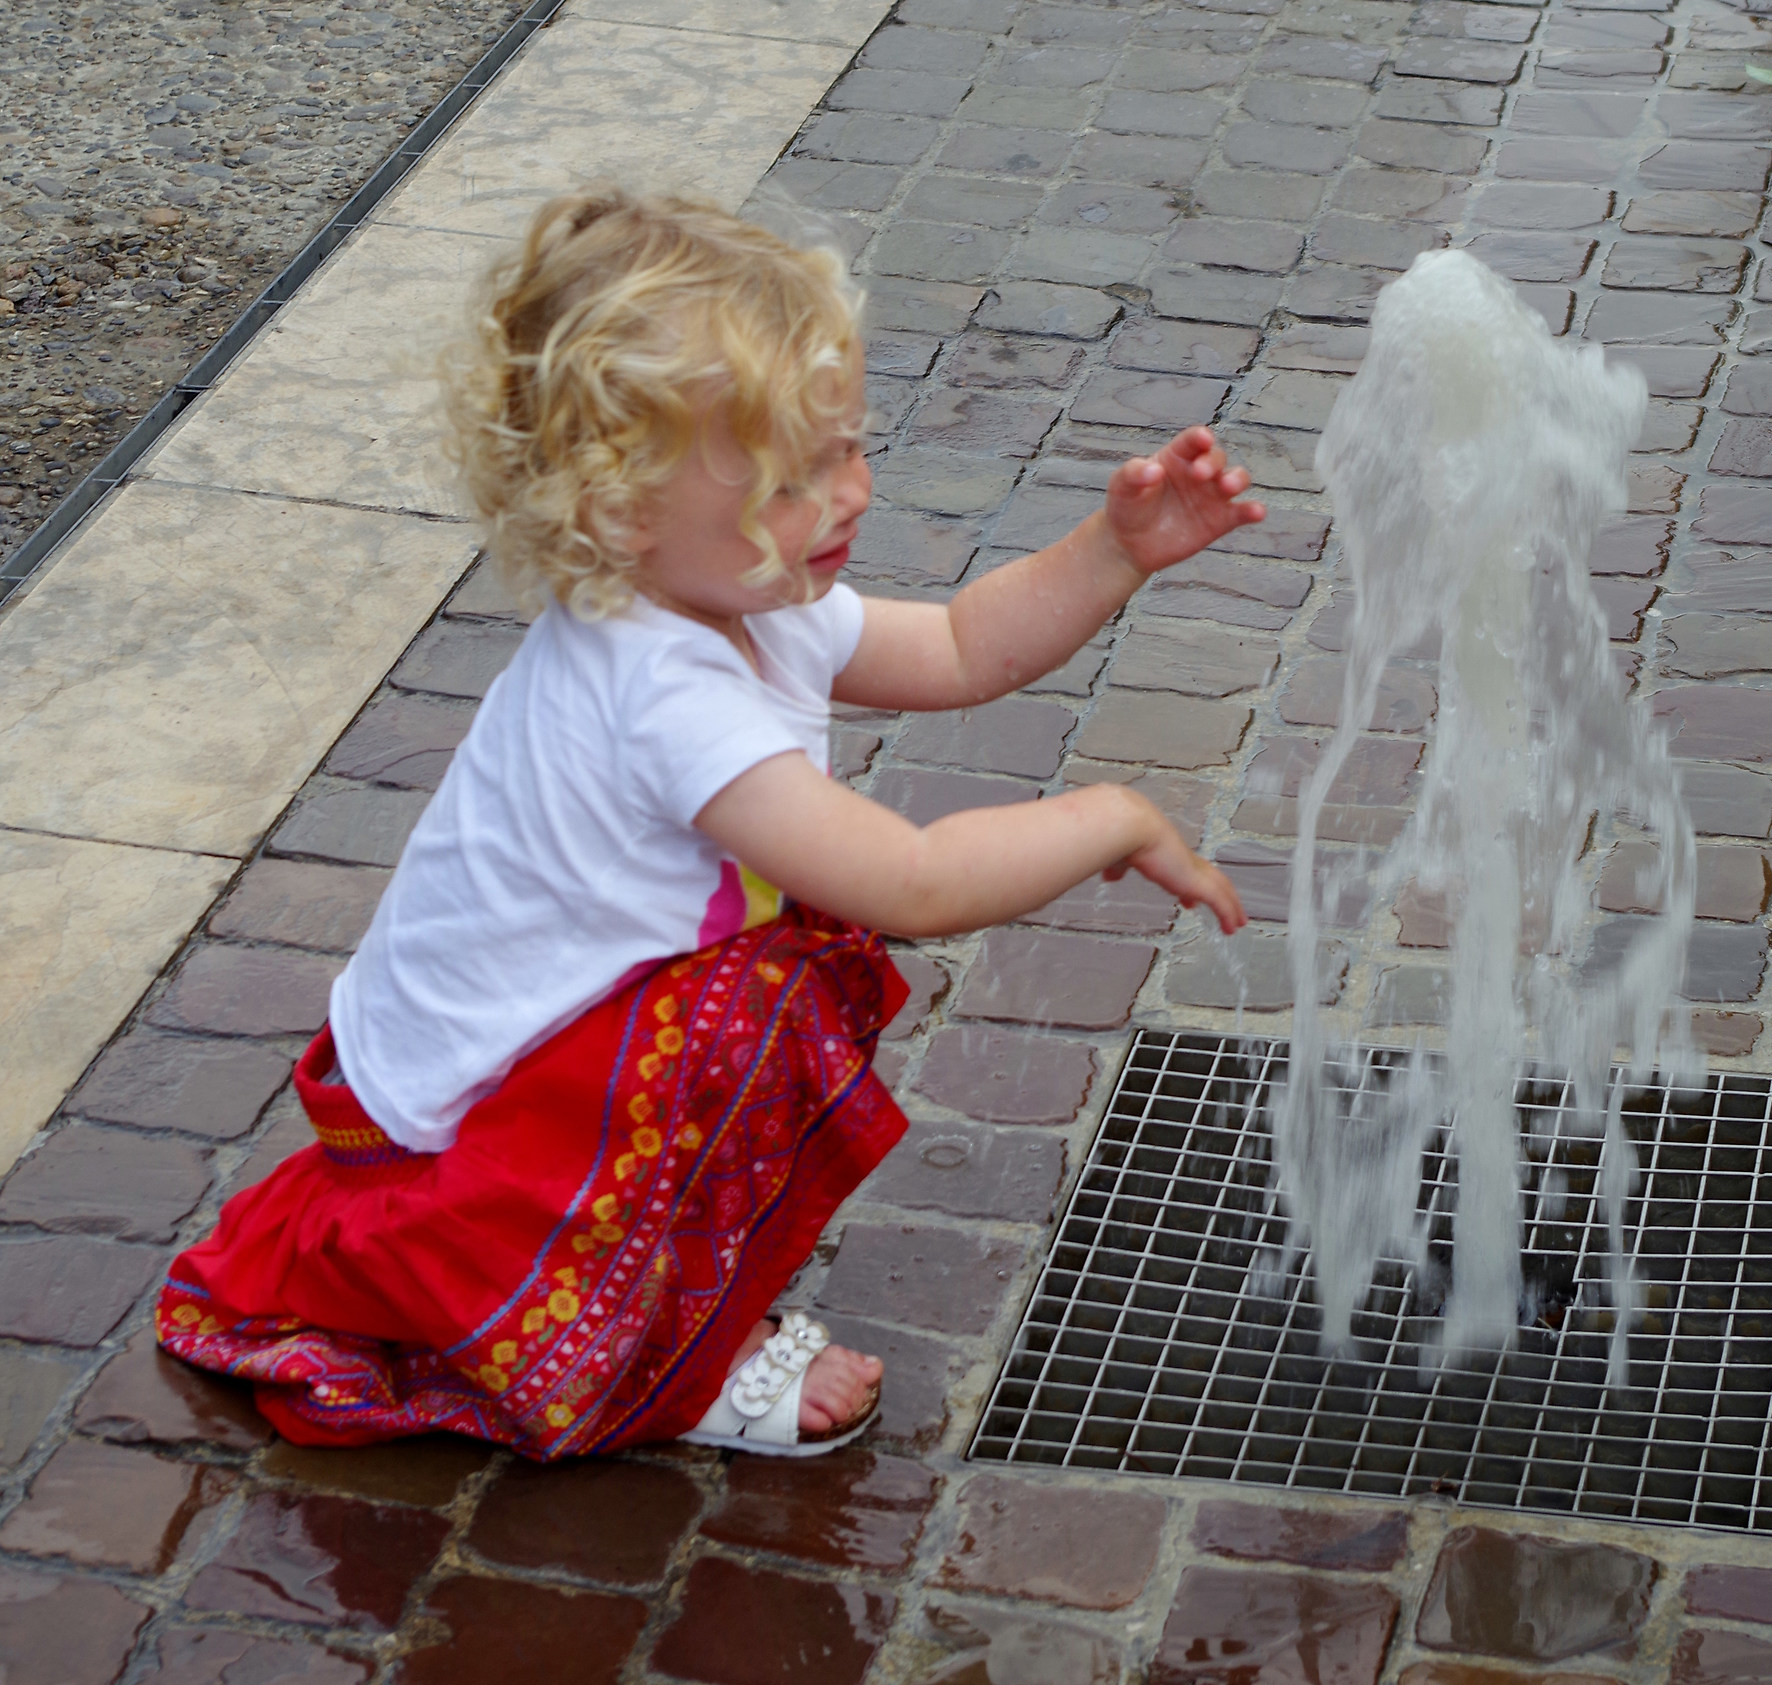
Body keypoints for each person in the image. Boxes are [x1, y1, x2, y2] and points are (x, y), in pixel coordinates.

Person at [157, 190, 1263, 1459]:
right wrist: (1110, 814)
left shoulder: (742, 588)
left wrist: (1115, 550)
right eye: (795, 478)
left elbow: (962, 646)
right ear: (622, 513)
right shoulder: (660, 688)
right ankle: (677, 1367)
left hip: (488, 1059)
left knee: (776, 968)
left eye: (849, 446)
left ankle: (649, 1275)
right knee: (766, 997)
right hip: (458, 1131)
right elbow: (908, 882)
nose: (849, 493)